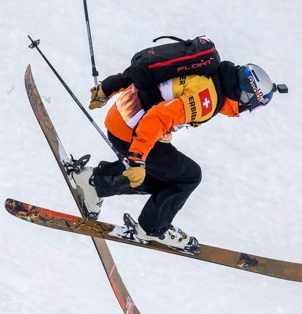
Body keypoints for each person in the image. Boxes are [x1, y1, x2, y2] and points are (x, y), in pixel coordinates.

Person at [74, 56, 279, 249]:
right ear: (246, 96)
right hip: (130, 130)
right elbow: (157, 118)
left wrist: (109, 87)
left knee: (167, 176)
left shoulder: (206, 71)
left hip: (121, 117)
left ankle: (95, 183)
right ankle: (152, 229)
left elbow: (150, 75)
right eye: (254, 106)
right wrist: (137, 159)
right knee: (189, 176)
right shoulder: (207, 98)